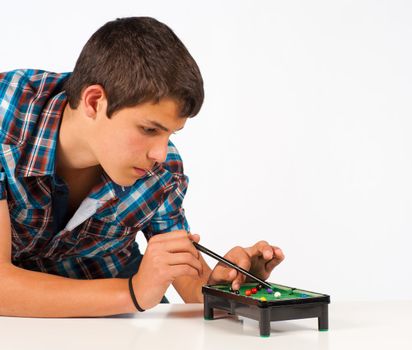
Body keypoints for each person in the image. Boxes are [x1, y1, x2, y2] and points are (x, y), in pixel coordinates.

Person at [0, 16, 284, 317]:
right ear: (95, 102)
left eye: (170, 134)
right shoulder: (6, 117)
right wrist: (133, 292)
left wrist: (229, 290)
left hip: (120, 331)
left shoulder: (161, 171)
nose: (161, 154)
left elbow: (191, 287)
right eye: (149, 130)